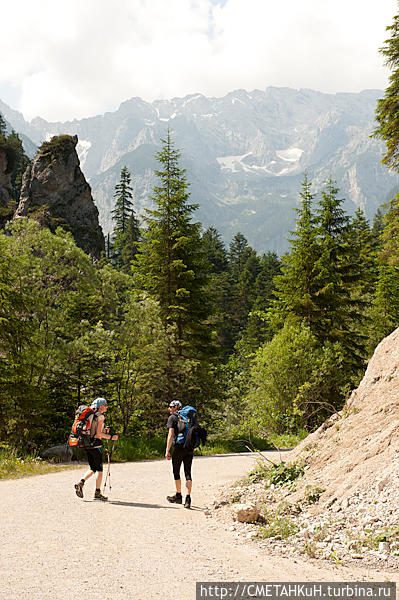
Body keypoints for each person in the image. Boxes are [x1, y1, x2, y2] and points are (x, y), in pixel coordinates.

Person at [74, 397, 118, 501]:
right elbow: (98, 434)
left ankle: (81, 483)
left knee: (92, 468)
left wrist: (104, 430)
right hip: (96, 445)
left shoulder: (91, 415)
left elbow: (95, 430)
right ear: (101, 406)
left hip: (87, 444)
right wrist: (112, 437)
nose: (106, 406)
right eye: (105, 405)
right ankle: (97, 493)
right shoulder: (100, 417)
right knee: (99, 469)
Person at [165, 400, 193, 509]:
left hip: (178, 447)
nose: (169, 409)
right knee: (188, 472)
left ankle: (178, 495)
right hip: (189, 447)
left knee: (176, 471)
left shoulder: (172, 418)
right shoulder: (189, 418)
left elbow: (171, 434)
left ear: (175, 407)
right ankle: (188, 498)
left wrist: (167, 450)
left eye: (170, 407)